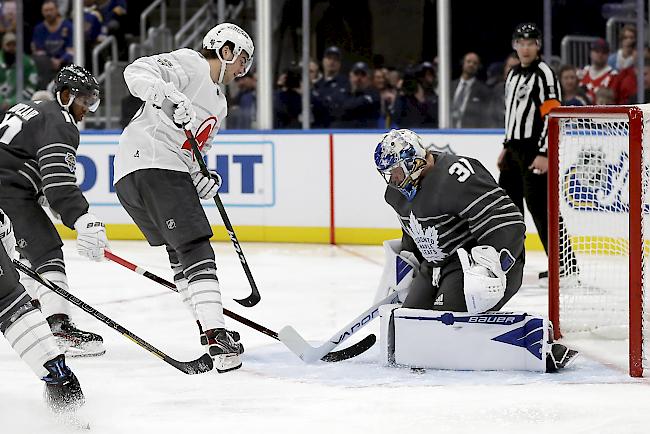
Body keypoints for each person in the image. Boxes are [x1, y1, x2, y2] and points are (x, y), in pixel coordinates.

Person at [113, 22, 253, 373]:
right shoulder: (191, 63)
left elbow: (194, 152)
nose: (243, 69)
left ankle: (209, 330)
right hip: (152, 163)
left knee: (181, 254)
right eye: (242, 59)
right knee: (195, 247)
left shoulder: (219, 105)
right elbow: (135, 72)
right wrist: (168, 95)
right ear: (225, 49)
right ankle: (217, 335)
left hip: (141, 173)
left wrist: (203, 178)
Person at [0, 64, 108, 357]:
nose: (87, 109)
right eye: (84, 100)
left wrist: (45, 193)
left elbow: (28, 163)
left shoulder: (28, 107)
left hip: (8, 187)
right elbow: (59, 182)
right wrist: (82, 218)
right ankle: (57, 327)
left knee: (20, 255)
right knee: (45, 251)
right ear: (64, 95)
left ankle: (37, 308)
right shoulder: (61, 121)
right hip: (8, 192)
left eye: (91, 102)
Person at [373, 129, 525, 313]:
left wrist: (490, 268)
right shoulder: (395, 194)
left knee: (445, 325)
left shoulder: (458, 175)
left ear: (413, 161)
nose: (394, 180)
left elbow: (507, 222)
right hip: (432, 267)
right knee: (406, 320)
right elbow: (413, 230)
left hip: (469, 264)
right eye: (389, 173)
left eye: (396, 171)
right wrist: (406, 264)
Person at [499, 23, 577, 280]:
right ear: (514, 45)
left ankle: (565, 264)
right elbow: (511, 114)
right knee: (508, 207)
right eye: (520, 43)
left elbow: (553, 113)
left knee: (541, 207)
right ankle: (512, 260)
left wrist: (544, 152)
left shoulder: (544, 73)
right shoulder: (512, 75)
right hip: (513, 150)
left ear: (538, 46)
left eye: (530, 42)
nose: (525, 48)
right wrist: (505, 146)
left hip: (535, 149)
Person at [0, 210, 84, 413]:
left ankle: (70, 425)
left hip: (6, 294)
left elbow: (5, 230)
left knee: (58, 375)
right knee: (57, 375)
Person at [31, 0, 74, 88]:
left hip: (65, 63)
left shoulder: (68, 26)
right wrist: (51, 61)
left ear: (57, 10)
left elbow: (72, 49)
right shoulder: (39, 29)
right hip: (46, 64)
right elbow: (39, 50)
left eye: (51, 10)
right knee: (40, 60)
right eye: (46, 11)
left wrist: (60, 60)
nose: (48, 13)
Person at [331, 61, 380, 128]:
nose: (359, 78)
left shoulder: (374, 94)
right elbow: (341, 109)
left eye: (363, 74)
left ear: (368, 78)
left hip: (367, 134)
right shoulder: (341, 92)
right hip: (343, 133)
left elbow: (350, 106)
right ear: (350, 75)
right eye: (356, 74)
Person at [0, 32, 39, 114]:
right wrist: (1, 102)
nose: (11, 48)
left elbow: (31, 86)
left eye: (14, 45)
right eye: (8, 45)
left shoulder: (27, 62)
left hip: (21, 106)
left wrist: (11, 102)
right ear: (3, 46)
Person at [450, 52, 491, 128]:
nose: (471, 65)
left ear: (478, 67)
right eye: (468, 61)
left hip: (470, 133)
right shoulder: (450, 86)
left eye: (475, 63)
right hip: (448, 130)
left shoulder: (484, 90)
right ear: (463, 63)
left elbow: (485, 117)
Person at [311, 46, 347, 128]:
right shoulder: (317, 84)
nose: (332, 62)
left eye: (335, 59)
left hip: (337, 129)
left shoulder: (345, 83)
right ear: (323, 61)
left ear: (339, 64)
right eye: (329, 58)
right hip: (318, 129)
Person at [578, 38, 618, 104]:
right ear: (590, 53)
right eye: (597, 51)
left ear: (608, 55)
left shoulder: (613, 76)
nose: (600, 55)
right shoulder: (582, 72)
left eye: (604, 52)